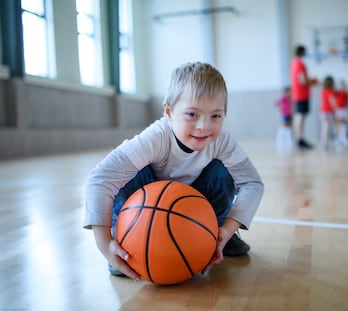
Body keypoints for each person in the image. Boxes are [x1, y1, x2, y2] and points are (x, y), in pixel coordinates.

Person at [84, 62, 264, 281]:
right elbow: (101, 179)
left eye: (216, 116)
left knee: (221, 172)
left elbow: (252, 183)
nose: (204, 126)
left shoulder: (222, 141)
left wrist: (225, 230)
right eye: (192, 114)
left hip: (196, 205)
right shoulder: (156, 137)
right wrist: (104, 243)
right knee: (129, 173)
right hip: (147, 204)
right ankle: (125, 241)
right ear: (169, 112)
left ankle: (212, 234)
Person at [290, 45, 318, 149]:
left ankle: (299, 138)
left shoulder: (293, 63)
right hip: (301, 94)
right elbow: (302, 80)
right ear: (302, 52)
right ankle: (300, 139)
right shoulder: (300, 64)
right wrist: (313, 81)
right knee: (300, 117)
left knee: (299, 116)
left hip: (298, 93)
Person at [319, 76, 337, 149]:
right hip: (328, 111)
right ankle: (326, 141)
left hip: (322, 110)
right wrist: (335, 108)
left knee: (324, 126)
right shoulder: (331, 91)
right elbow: (332, 100)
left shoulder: (322, 91)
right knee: (328, 126)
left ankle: (323, 141)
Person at [275, 86, 293, 151]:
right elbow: (276, 103)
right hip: (284, 114)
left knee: (289, 125)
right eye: (289, 91)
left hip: (289, 114)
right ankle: (282, 138)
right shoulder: (282, 98)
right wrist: (279, 108)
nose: (290, 93)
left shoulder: (290, 98)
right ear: (285, 92)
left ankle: (288, 139)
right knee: (285, 125)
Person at [335, 80, 348, 147]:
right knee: (338, 125)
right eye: (340, 85)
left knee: (343, 124)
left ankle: (344, 137)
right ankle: (339, 137)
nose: (341, 86)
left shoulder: (346, 93)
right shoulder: (337, 93)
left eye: (342, 85)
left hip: (344, 109)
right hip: (338, 110)